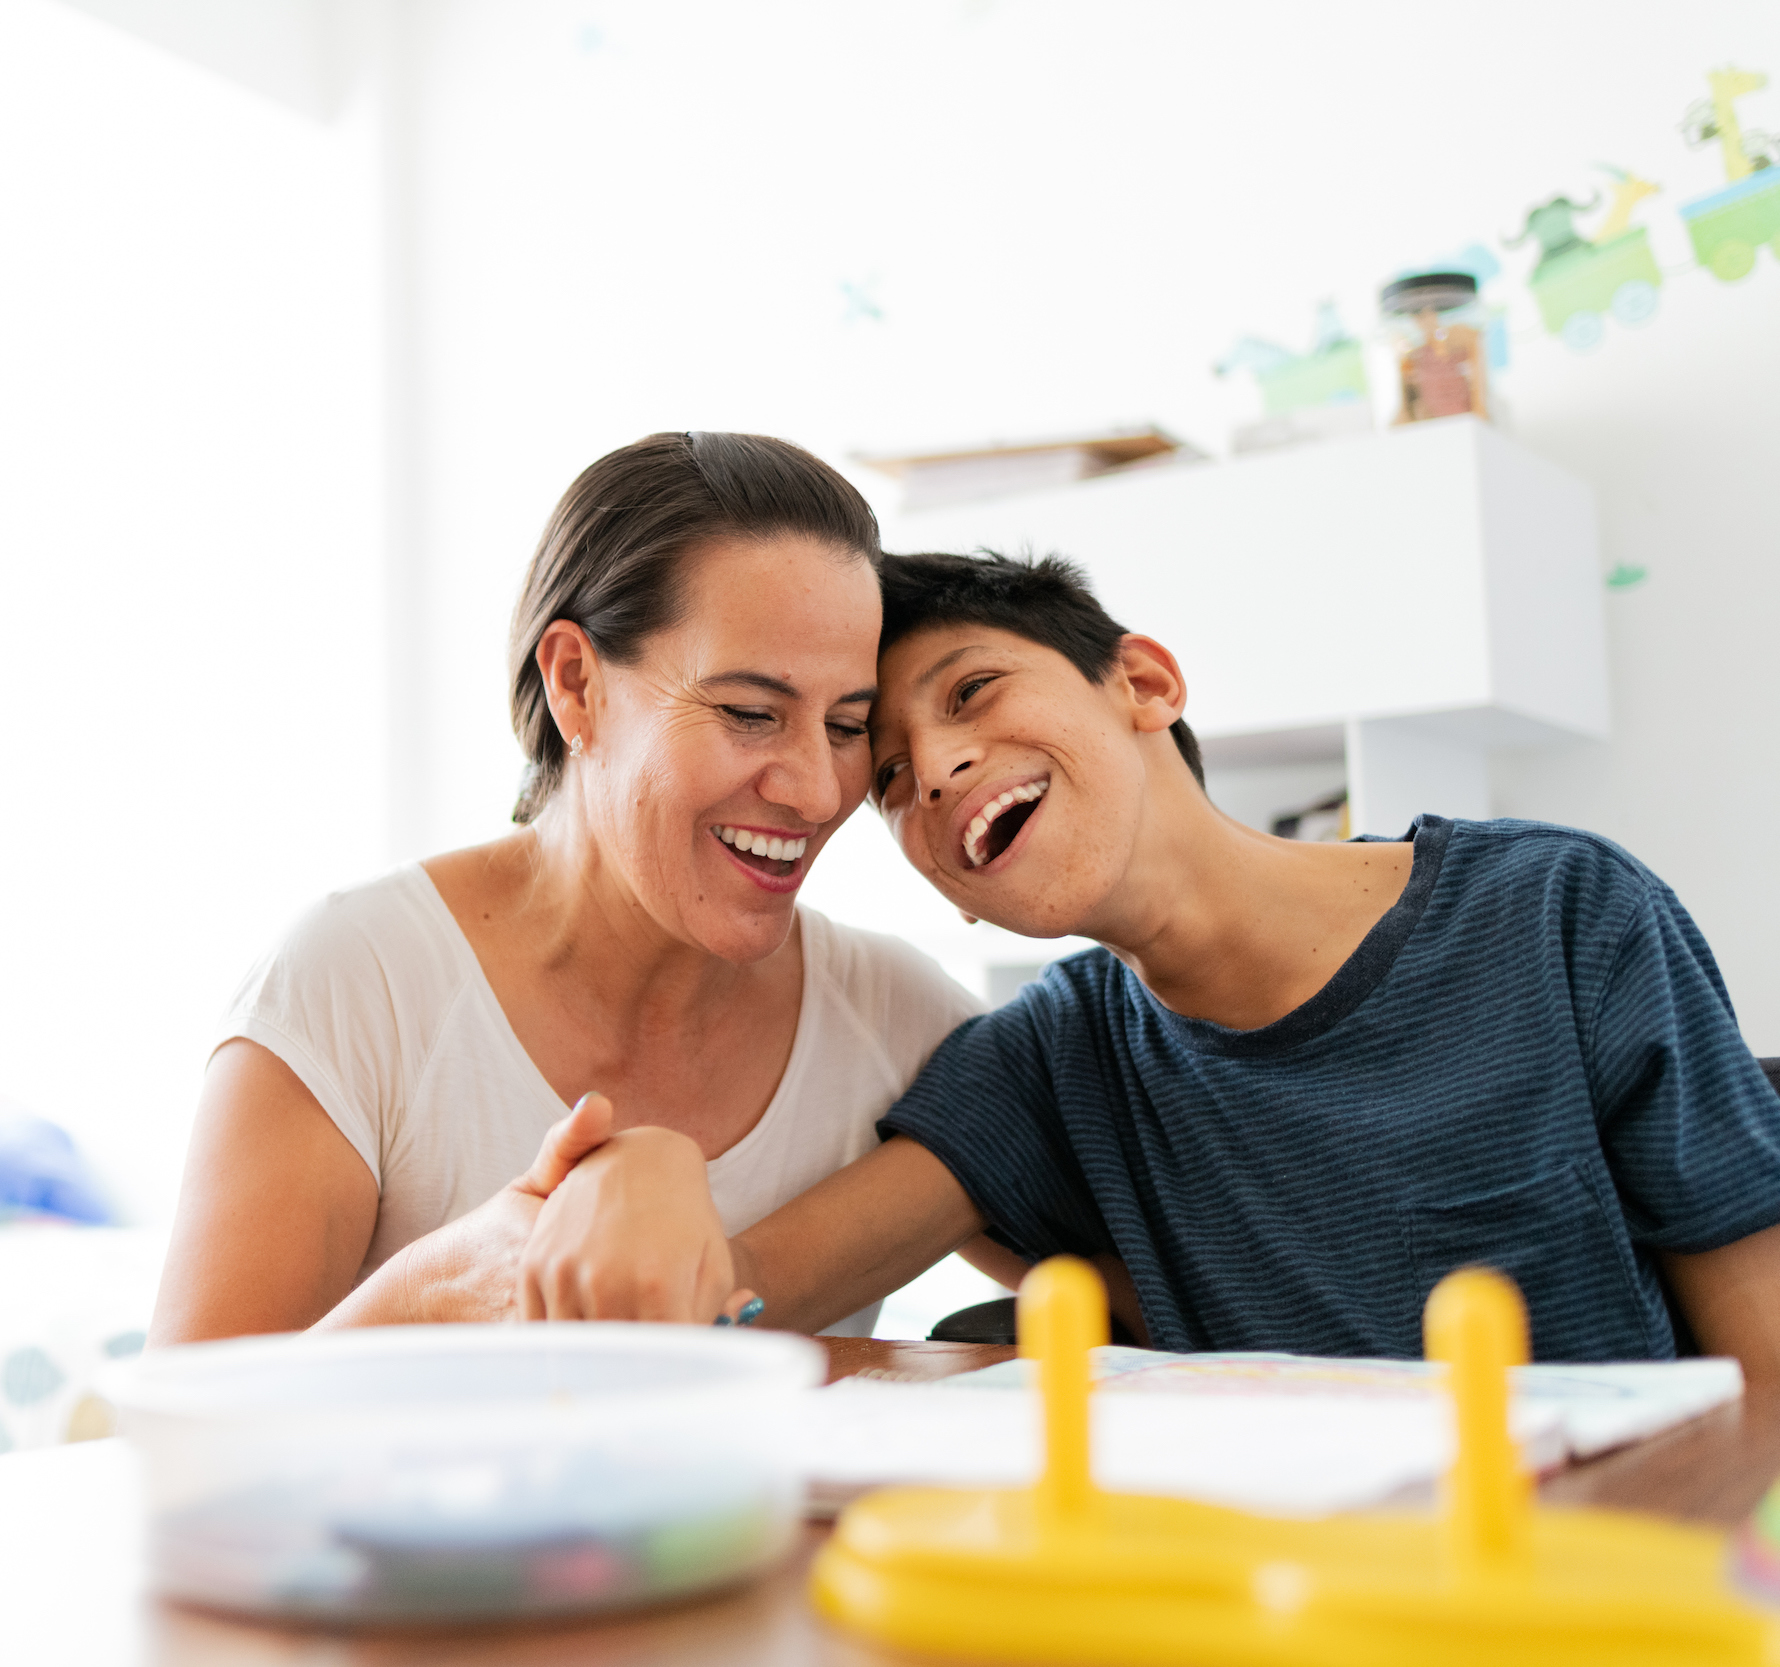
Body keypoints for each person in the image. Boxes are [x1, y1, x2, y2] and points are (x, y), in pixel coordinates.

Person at [519, 551, 1780, 1378]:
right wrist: (640, 1163)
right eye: (891, 776)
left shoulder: (1558, 913)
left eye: (973, 691)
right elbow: (727, 1300)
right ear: (947, 889)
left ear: (1144, 680)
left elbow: (1765, 1375)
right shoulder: (1049, 1059)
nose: (940, 767)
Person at [148, 435, 984, 1344]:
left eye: (848, 724)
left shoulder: (894, 1020)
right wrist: (438, 1289)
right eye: (750, 713)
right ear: (576, 684)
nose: (820, 790)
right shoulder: (358, 982)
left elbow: (1131, 1276)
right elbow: (176, 1445)